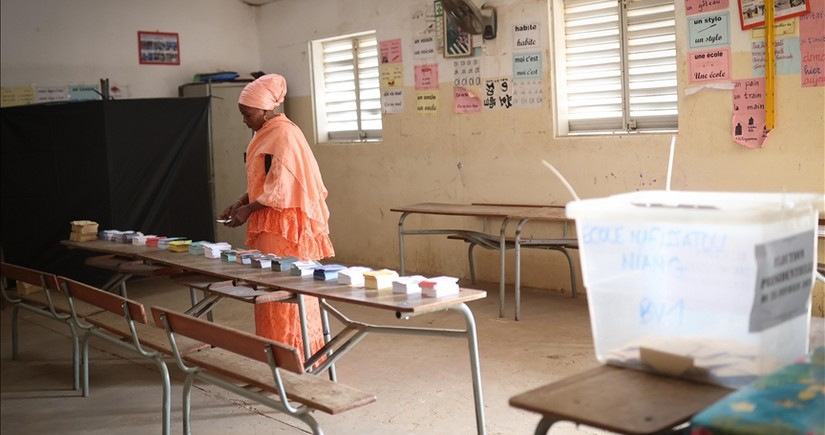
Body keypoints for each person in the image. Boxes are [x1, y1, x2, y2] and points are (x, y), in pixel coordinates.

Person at [219, 73, 334, 360]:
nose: (245, 119)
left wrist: (249, 209)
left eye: (248, 114)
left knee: (288, 291)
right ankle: (274, 353)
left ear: (266, 108)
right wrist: (240, 201)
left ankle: (297, 354)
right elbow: (264, 182)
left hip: (284, 227)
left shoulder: (283, 134)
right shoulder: (265, 133)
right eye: (242, 114)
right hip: (269, 221)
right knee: (268, 289)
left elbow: (282, 187)